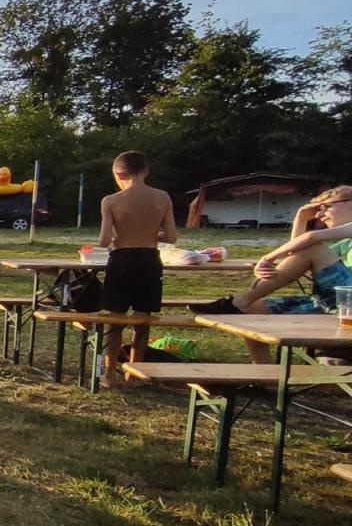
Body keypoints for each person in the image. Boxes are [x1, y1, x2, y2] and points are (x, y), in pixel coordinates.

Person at [189, 185, 352, 362]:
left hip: (347, 306)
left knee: (312, 248)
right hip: (333, 304)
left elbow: (310, 240)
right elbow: (295, 256)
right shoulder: (344, 243)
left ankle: (237, 302)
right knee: (251, 310)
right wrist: (300, 219)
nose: (320, 215)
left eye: (325, 207)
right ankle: (264, 376)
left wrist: (268, 258)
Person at [96, 151, 177, 386]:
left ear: (119, 173)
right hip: (150, 260)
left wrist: (123, 232)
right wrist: (150, 232)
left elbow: (103, 240)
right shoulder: (162, 198)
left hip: (121, 259)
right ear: (146, 171)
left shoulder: (111, 201)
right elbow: (171, 236)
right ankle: (135, 373)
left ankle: (109, 373)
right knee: (143, 321)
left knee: (115, 320)